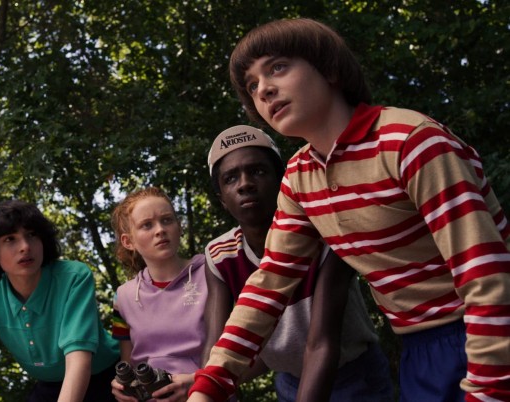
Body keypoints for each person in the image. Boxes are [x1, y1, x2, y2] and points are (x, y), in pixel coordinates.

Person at [189, 18, 510, 402]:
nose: (264, 89)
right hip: (417, 346)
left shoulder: (410, 141)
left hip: (489, 328)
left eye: (277, 67)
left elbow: (485, 273)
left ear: (329, 69)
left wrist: (491, 388)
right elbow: (269, 284)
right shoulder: (300, 177)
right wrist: (210, 384)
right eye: (252, 86)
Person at [205, 124, 393, 401]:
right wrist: (206, 389)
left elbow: (322, 345)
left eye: (258, 171)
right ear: (221, 199)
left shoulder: (325, 231)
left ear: (282, 181)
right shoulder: (220, 256)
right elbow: (217, 347)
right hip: (290, 381)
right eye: (231, 178)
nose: (245, 184)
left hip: (354, 376)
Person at [0, 200, 119, 402]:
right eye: (10, 239)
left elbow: (79, 362)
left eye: (32, 235)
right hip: (50, 385)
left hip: (106, 378)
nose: (25, 247)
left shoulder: (73, 277)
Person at [109, 187, 227, 402]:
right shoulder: (123, 297)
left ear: (179, 226)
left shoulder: (213, 272)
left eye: (167, 220)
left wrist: (198, 382)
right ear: (128, 242)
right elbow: (128, 362)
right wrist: (121, 386)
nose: (160, 230)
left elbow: (246, 350)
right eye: (147, 225)